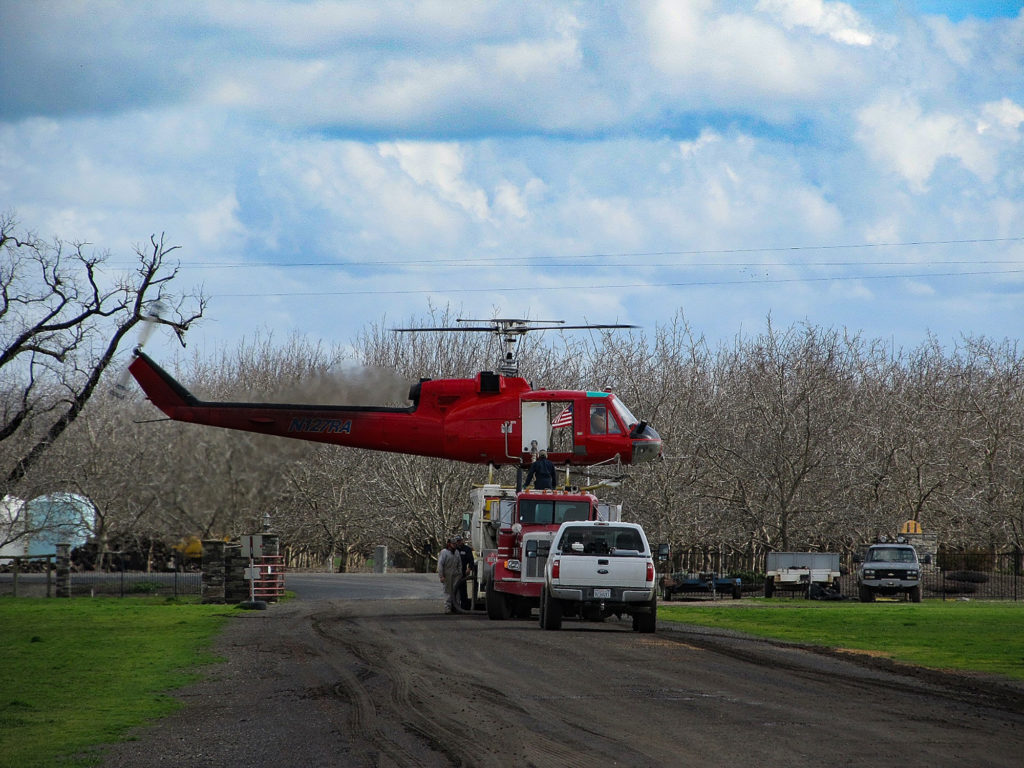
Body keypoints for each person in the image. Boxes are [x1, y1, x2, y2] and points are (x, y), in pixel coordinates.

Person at [437, 537, 463, 614]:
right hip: (447, 574)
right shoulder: (444, 552)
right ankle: (447, 608)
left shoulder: (457, 552)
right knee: (448, 591)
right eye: (453, 544)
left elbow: (459, 564)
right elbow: (440, 565)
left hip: (456, 575)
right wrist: (441, 576)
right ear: (449, 544)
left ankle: (456, 607)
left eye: (455, 544)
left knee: (456, 592)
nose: (454, 545)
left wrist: (460, 573)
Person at [455, 536, 475, 611]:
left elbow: (471, 560)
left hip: (463, 571)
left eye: (459, 541)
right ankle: (455, 607)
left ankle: (464, 607)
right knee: (454, 590)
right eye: (457, 541)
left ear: (462, 541)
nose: (458, 542)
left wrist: (469, 568)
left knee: (463, 590)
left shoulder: (467, 549)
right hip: (455, 572)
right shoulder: (454, 550)